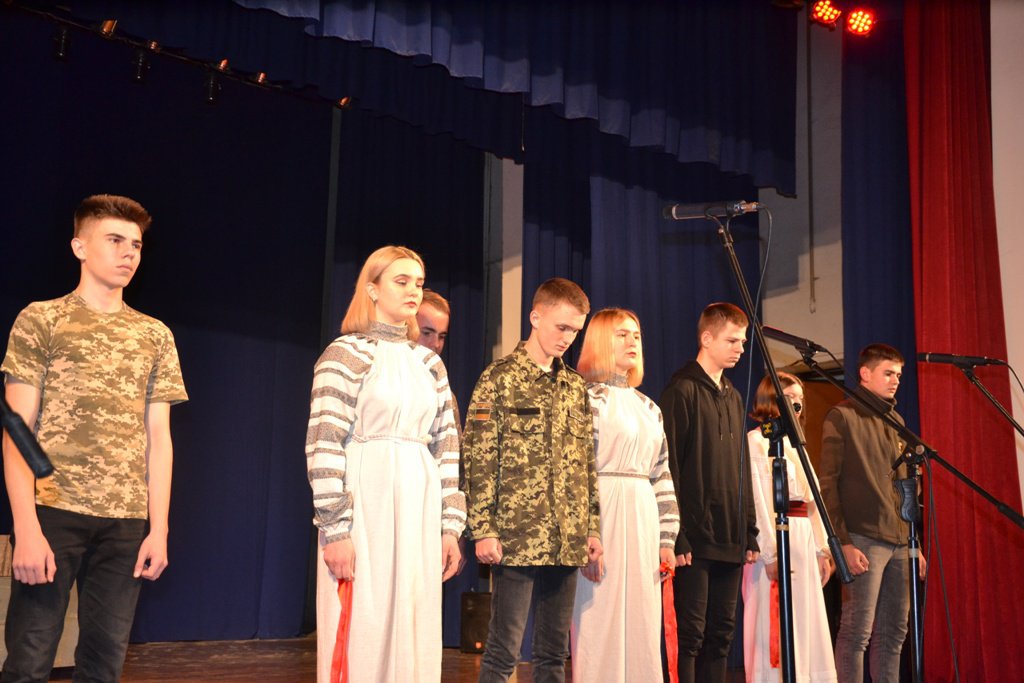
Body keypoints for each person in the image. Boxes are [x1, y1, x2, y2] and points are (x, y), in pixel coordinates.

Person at [1, 194, 188, 682]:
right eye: (115, 240)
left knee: (104, 663)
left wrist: (159, 529)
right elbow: (17, 429)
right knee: (29, 659)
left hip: (125, 521)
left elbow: (159, 438)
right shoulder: (42, 319)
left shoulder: (155, 335)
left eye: (136, 245)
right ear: (79, 247)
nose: (128, 253)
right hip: (53, 511)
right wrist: (26, 527)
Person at [305, 245, 464, 683]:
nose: (413, 291)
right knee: (365, 622)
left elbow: (447, 447)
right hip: (366, 502)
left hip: (419, 504)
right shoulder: (345, 353)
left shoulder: (429, 363)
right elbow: (323, 442)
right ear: (372, 289)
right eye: (401, 281)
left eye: (419, 282)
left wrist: (450, 527)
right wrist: (335, 530)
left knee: (414, 621)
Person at [463, 277, 602, 683]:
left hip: (567, 536)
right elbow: (479, 458)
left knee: (554, 654)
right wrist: (483, 529)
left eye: (575, 330)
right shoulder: (499, 378)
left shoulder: (575, 387)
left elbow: (586, 465)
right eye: (562, 327)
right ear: (535, 317)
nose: (568, 338)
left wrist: (592, 527)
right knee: (503, 651)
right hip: (515, 536)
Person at [569, 308, 679, 683]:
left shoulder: (649, 408)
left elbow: (661, 475)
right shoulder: (585, 400)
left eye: (636, 335)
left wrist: (667, 539)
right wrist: (585, 533)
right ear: (601, 340)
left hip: (643, 516)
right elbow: (576, 470)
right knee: (598, 614)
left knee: (642, 618)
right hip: (604, 512)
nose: (632, 341)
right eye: (621, 334)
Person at [659, 301, 760, 683]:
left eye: (743, 341)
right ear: (706, 338)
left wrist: (748, 528)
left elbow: (741, 467)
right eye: (732, 340)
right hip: (694, 538)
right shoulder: (681, 391)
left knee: (721, 635)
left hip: (729, 536)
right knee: (691, 634)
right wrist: (677, 533)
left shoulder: (733, 396)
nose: (740, 348)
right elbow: (669, 466)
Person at [819, 344, 926, 683]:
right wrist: (843, 543)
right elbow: (827, 484)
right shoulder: (842, 416)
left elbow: (905, 488)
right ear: (865, 374)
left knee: (894, 633)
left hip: (900, 540)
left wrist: (915, 544)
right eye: (888, 373)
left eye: (899, 375)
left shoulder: (897, 422)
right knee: (857, 631)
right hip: (862, 537)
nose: (895, 381)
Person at [741, 373, 836, 683]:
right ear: (771, 400)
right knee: (773, 620)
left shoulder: (797, 445)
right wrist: (770, 552)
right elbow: (758, 499)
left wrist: (822, 550)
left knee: (805, 621)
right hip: (775, 538)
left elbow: (813, 501)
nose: (797, 404)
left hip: (802, 539)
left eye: (800, 399)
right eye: (789, 398)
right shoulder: (757, 442)